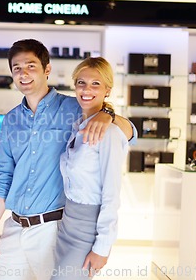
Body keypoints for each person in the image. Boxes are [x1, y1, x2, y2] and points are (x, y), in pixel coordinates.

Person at [0, 39, 135, 280]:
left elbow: (130, 133)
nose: (23, 74)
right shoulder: (10, 120)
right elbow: (3, 178)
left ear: (47, 70)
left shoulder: (74, 107)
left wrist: (107, 114)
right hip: (13, 229)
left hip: (52, 230)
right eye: (17, 68)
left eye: (31, 66)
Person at [51, 57, 128, 279]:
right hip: (67, 223)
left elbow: (112, 194)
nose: (86, 89)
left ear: (108, 90)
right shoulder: (78, 126)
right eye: (81, 83)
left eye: (96, 84)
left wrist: (102, 248)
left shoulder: (110, 133)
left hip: (88, 228)